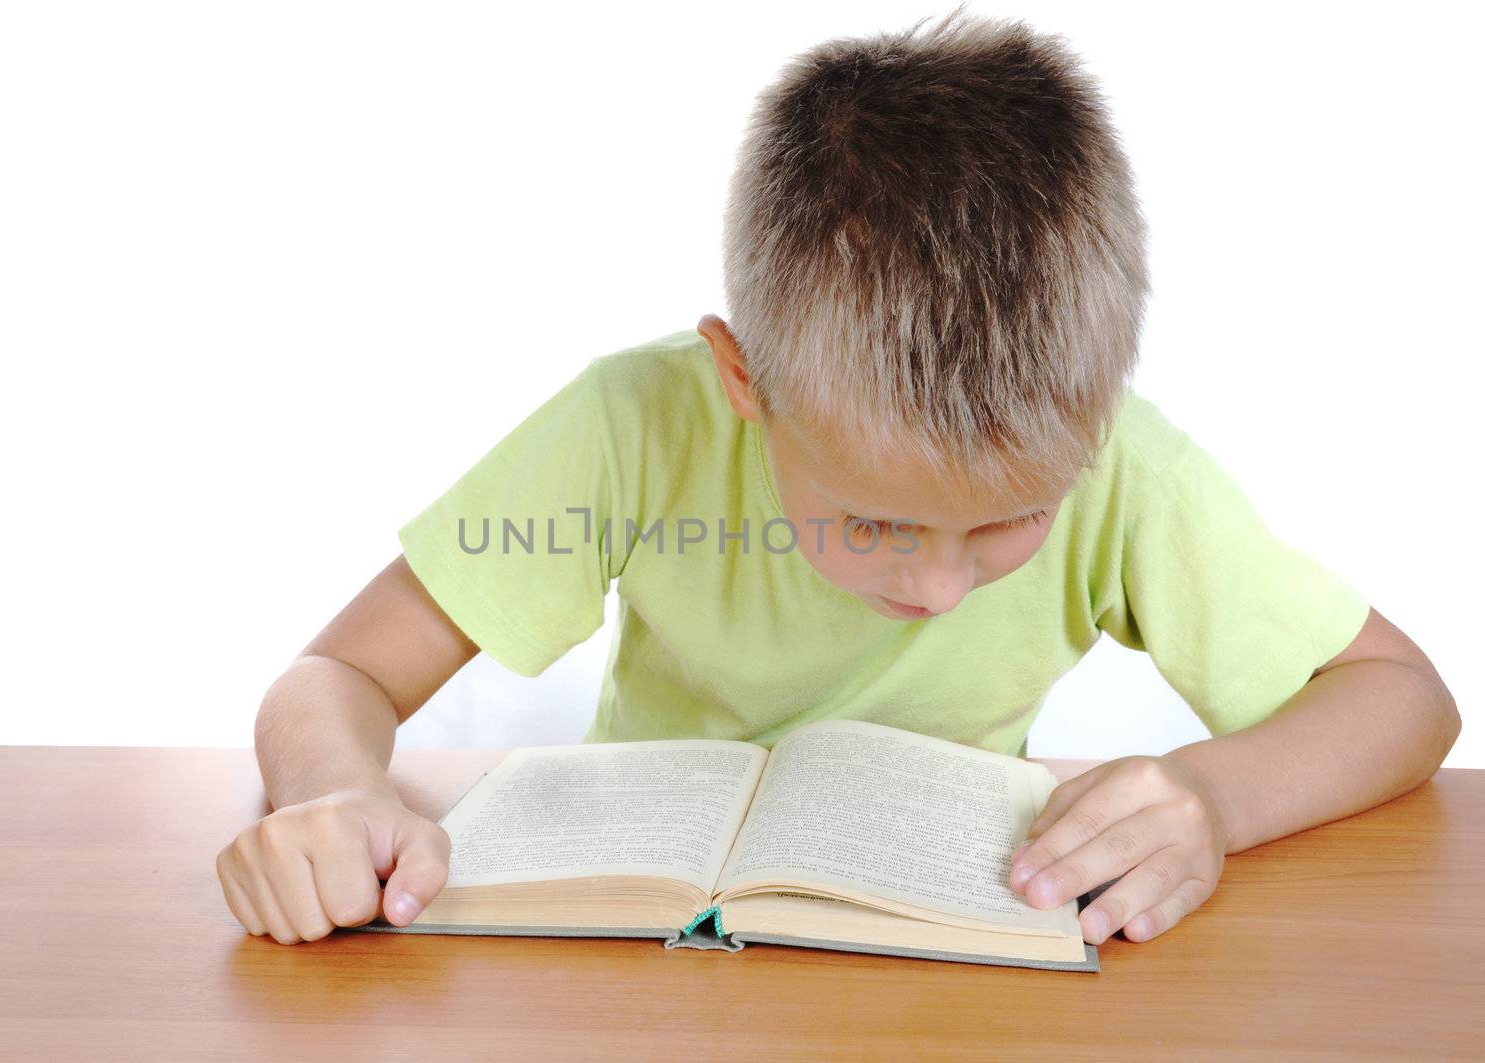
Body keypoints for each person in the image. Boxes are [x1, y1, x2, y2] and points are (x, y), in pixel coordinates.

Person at [216, 9, 1459, 948]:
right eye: (876, 520)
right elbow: (338, 672)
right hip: (639, 943)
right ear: (742, 379)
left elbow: (1401, 695)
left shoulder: (1124, 465)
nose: (936, 584)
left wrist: (1207, 796)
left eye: (1011, 518)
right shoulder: (631, 424)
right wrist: (331, 793)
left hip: (936, 951)